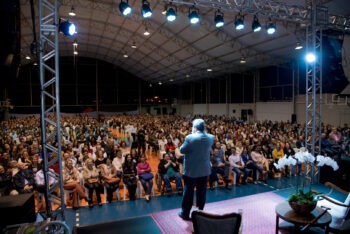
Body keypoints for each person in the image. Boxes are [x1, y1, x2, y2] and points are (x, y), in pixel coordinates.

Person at [178, 118, 214, 221]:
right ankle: (200, 212)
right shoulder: (211, 137)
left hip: (191, 171)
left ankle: (185, 213)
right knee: (202, 192)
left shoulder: (190, 138)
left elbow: (182, 150)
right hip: (204, 170)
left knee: (188, 193)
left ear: (194, 127)